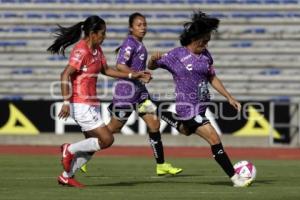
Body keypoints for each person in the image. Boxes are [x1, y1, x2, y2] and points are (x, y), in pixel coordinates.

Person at [148, 11, 252, 187]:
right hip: (188, 108)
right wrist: (152, 59)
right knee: (214, 138)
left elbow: (212, 77)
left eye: (208, 40)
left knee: (185, 131)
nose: (207, 43)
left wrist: (229, 97)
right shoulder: (176, 55)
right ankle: (236, 179)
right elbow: (151, 66)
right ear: (195, 38)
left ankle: (164, 115)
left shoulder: (206, 56)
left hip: (201, 106)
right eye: (204, 40)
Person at [47, 15, 150, 188]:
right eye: (102, 33)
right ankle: (69, 149)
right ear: (92, 33)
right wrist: (66, 101)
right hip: (80, 103)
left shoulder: (97, 50)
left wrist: (134, 74)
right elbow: (65, 74)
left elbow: (107, 70)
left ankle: (66, 176)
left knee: (92, 147)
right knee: (107, 140)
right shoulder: (81, 51)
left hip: (91, 104)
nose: (105, 36)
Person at [79, 12, 182, 176]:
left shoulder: (139, 44)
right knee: (112, 129)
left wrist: (143, 74)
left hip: (139, 94)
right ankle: (82, 154)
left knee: (154, 124)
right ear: (131, 28)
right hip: (126, 94)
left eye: (144, 24)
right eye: (139, 25)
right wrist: (138, 74)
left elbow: (134, 68)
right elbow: (120, 65)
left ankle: (161, 165)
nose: (143, 28)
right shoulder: (130, 43)